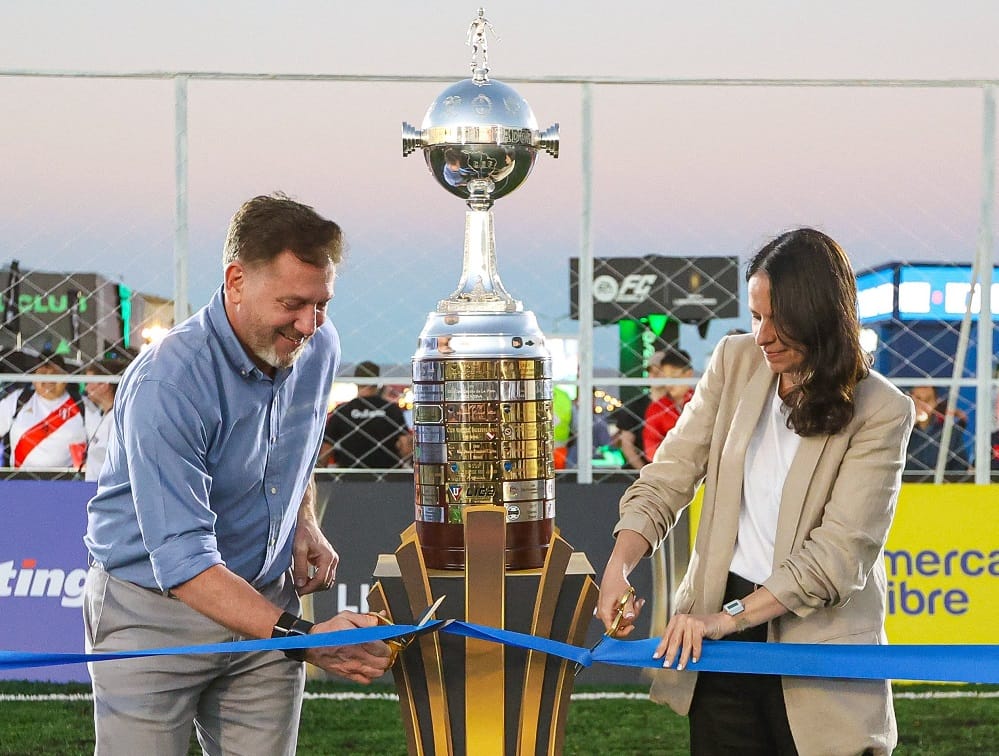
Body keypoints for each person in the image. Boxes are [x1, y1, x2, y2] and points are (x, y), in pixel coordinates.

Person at [83, 194, 391, 755]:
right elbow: (183, 563)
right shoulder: (169, 382)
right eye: (293, 303)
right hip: (152, 615)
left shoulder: (318, 346)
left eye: (321, 303)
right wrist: (304, 639)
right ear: (235, 281)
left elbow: (297, 444)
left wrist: (303, 523)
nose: (309, 324)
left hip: (266, 601)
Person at [597, 228, 914, 756]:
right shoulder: (734, 360)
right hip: (720, 638)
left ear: (820, 314)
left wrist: (727, 618)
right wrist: (619, 565)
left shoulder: (882, 408)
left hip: (817, 643)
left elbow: (838, 558)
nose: (762, 335)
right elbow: (671, 472)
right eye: (755, 316)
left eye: (777, 319)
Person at [0, 352, 88, 469]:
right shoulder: (17, 400)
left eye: (55, 374)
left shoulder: (82, 405)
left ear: (66, 378)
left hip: (69, 482)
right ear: (33, 378)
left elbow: (101, 444)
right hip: (20, 480)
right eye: (43, 373)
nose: (48, 379)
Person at [318, 361, 413, 469]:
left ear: (356, 382)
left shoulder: (342, 411)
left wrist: (321, 474)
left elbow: (325, 452)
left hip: (349, 479)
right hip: (387, 478)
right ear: (378, 382)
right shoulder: (392, 410)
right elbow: (406, 447)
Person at [904, 385, 970, 481]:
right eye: (916, 399)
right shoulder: (899, 429)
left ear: (935, 402)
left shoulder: (950, 432)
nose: (921, 405)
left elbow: (960, 467)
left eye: (926, 400)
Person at [80, 356, 131, 481]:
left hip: (106, 490)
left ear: (104, 385)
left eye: (89, 383)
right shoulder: (106, 416)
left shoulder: (116, 420)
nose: (86, 389)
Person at [641, 348, 695, 462]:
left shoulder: (701, 402)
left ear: (689, 374)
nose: (669, 383)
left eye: (674, 377)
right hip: (668, 468)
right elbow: (650, 448)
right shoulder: (656, 408)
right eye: (665, 377)